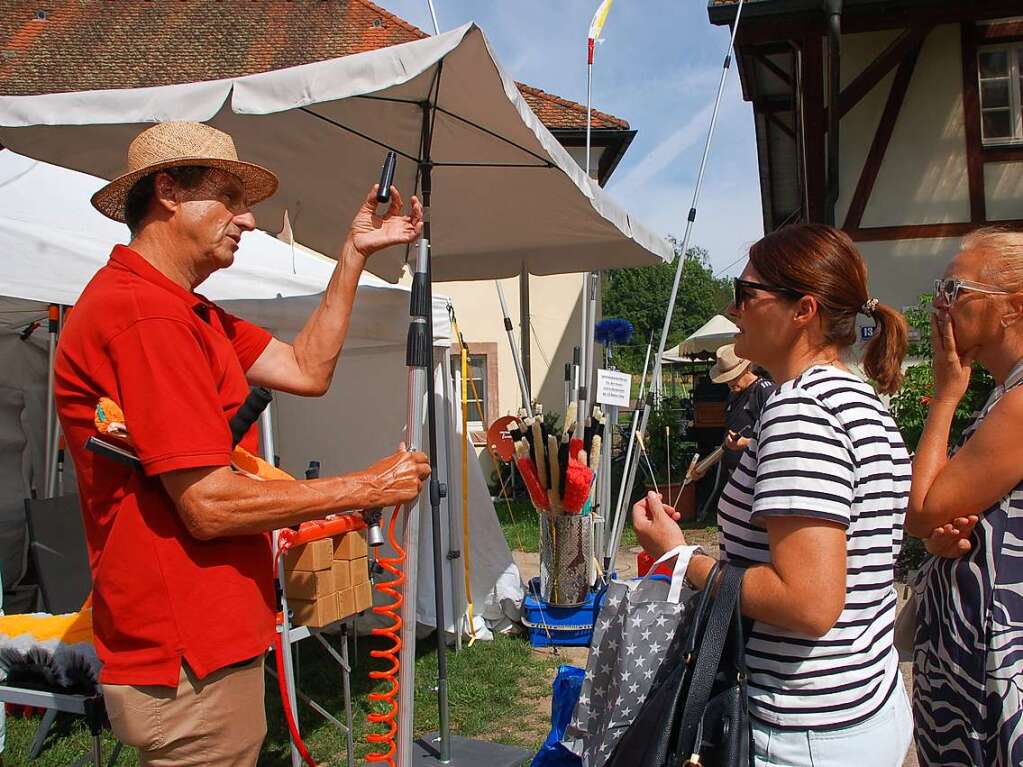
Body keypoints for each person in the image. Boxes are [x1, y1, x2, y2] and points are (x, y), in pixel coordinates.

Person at [54, 122, 432, 766]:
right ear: (169, 192)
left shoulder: (185, 311)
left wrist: (355, 251)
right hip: (184, 650)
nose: (249, 220)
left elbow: (306, 369)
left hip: (203, 639)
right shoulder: (146, 316)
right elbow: (207, 505)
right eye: (229, 198)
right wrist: (367, 488)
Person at [632, 224, 912, 766]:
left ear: (802, 310)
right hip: (862, 703)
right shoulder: (861, 399)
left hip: (803, 724)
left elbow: (806, 603)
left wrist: (679, 555)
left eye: (745, 293)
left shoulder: (800, 410)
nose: (734, 309)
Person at [906, 227, 1023, 766]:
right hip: (978, 658)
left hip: (998, 666)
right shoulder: (1007, 394)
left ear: (1013, 307)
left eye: (955, 289)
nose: (939, 303)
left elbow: (920, 509)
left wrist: (945, 394)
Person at [694, 344, 774, 522]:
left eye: (733, 377)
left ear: (747, 368)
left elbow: (776, 437)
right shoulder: (733, 395)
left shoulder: (765, 391)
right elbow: (727, 438)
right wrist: (705, 465)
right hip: (736, 473)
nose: (729, 383)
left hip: (757, 475)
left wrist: (745, 443)